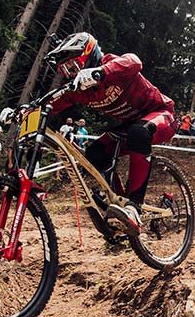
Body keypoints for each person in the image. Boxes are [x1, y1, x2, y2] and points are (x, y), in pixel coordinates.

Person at [46, 31, 175, 235]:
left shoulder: (111, 64)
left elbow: (134, 62)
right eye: (64, 70)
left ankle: (134, 207)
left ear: (88, 56)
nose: (70, 74)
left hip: (161, 114)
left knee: (139, 133)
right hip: (129, 125)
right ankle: (119, 204)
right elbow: (51, 104)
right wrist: (23, 111)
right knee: (95, 152)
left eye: (73, 67)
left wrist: (100, 72)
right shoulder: (81, 89)